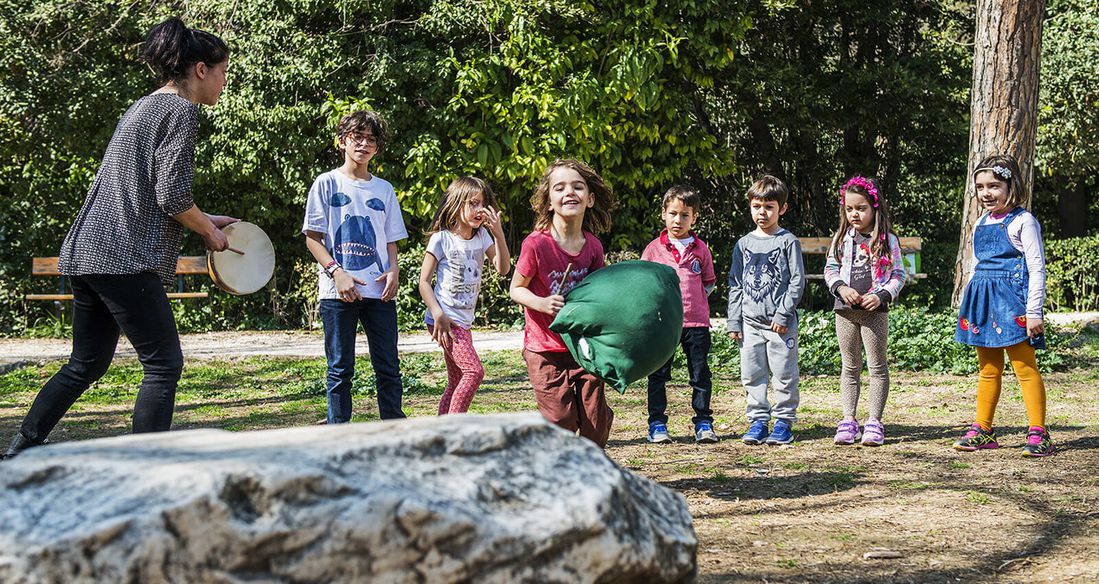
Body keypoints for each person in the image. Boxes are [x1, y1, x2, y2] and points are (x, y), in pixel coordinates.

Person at [4, 17, 236, 459]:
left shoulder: (144, 106)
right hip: (124, 258)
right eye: (223, 71)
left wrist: (205, 217)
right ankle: (146, 466)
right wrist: (207, 231)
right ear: (201, 69)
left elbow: (148, 190)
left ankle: (21, 448)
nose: (225, 82)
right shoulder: (181, 110)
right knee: (164, 365)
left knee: (85, 364)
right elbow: (169, 194)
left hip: (87, 252)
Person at [302, 110, 408, 423]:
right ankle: (339, 432)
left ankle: (394, 429)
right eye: (357, 137)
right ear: (343, 141)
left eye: (371, 140)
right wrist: (337, 273)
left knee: (388, 366)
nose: (363, 144)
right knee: (339, 368)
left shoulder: (384, 190)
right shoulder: (325, 183)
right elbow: (313, 239)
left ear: (377, 147)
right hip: (338, 293)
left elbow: (391, 239)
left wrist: (394, 270)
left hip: (379, 290)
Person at [509, 159, 615, 447]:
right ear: (549, 202)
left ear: (590, 199)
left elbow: (598, 294)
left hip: (582, 346)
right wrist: (541, 303)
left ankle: (592, 468)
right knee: (560, 419)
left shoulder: (593, 246)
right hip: (544, 349)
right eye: (560, 188)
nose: (570, 192)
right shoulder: (536, 244)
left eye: (578, 186)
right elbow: (516, 289)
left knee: (594, 423)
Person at [953, 154, 1053, 457]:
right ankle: (983, 429)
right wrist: (968, 304)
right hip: (983, 304)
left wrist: (1034, 311)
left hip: (1014, 306)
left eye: (994, 186)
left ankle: (1039, 431)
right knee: (988, 369)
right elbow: (975, 266)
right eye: (981, 187)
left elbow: (1036, 268)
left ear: (1012, 186)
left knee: (1025, 367)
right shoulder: (980, 223)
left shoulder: (1024, 221)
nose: (986, 193)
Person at [823, 176, 906, 446]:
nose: (854, 214)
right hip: (845, 311)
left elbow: (899, 275)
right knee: (850, 366)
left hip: (874, 313)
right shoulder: (841, 238)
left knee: (877, 367)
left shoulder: (887, 240)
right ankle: (848, 420)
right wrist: (840, 288)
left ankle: (874, 421)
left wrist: (882, 295)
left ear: (874, 207)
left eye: (861, 208)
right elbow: (830, 269)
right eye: (849, 209)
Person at [417, 177, 511, 415]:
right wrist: (438, 314)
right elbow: (424, 283)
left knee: (457, 378)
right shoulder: (442, 239)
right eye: (472, 203)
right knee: (474, 372)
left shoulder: (482, 237)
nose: (479, 210)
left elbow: (503, 268)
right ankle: (454, 428)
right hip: (445, 319)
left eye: (483, 204)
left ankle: (441, 432)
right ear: (456, 204)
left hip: (463, 321)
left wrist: (498, 234)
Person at [727, 175, 805, 446]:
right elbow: (735, 283)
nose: (762, 212)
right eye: (757, 206)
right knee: (752, 374)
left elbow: (797, 281)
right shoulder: (743, 244)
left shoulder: (788, 242)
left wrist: (783, 315)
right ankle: (758, 420)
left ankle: (784, 421)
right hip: (750, 323)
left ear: (782, 208)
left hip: (779, 325)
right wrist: (734, 321)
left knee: (784, 373)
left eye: (769, 206)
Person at [641, 185, 718, 444]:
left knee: (699, 374)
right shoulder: (653, 250)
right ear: (663, 213)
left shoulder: (701, 248)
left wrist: (693, 304)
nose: (678, 220)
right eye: (673, 213)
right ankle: (657, 424)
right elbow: (644, 285)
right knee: (658, 375)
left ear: (694, 218)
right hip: (663, 326)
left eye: (685, 215)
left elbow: (708, 282)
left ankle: (704, 422)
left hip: (696, 325)